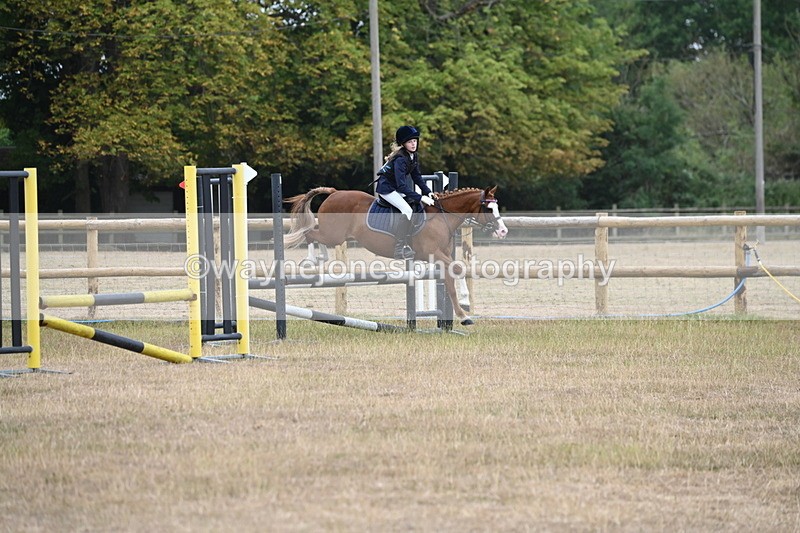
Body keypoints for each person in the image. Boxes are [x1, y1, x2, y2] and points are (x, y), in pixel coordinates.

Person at [376, 125, 435, 259]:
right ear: (403, 144)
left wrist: (428, 192)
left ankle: (411, 239)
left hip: (396, 188)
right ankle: (399, 248)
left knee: (415, 205)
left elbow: (417, 177)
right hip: (387, 189)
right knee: (407, 210)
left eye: (415, 141)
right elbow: (402, 186)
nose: (413, 144)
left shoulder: (413, 156)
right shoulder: (400, 159)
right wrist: (421, 197)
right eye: (410, 142)